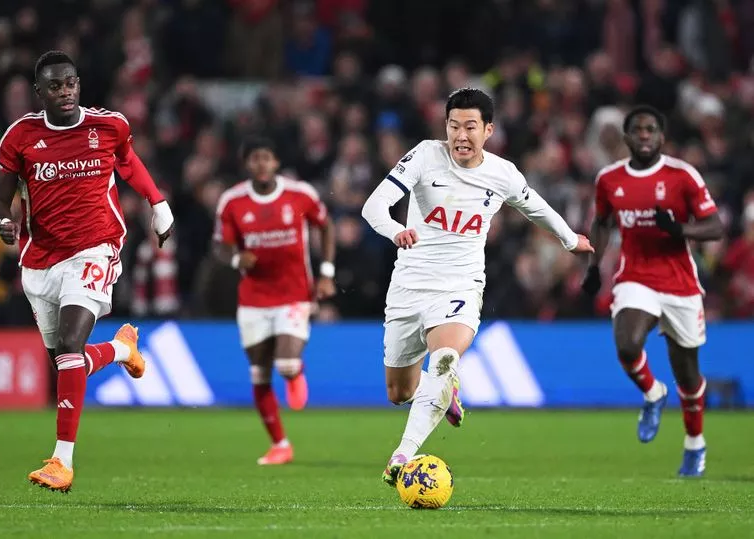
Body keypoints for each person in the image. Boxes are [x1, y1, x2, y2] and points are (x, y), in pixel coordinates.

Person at [361, 88, 593, 485]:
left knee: (446, 357)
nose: (461, 136)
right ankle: (444, 393)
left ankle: (403, 454)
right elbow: (372, 207)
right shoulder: (424, 155)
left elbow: (535, 206)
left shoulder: (502, 174)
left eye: (470, 127)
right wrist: (397, 230)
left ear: (489, 130)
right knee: (399, 392)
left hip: (460, 285)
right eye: (454, 126)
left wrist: (570, 239)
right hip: (409, 286)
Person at [0, 51, 175, 492]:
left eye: (71, 82)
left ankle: (61, 461)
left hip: (96, 247)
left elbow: (128, 162)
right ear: (40, 93)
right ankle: (122, 350)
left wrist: (158, 203)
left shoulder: (108, 126)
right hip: (40, 259)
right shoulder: (21, 137)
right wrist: (2, 221)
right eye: (55, 86)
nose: (66, 91)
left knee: (71, 344)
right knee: (65, 359)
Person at [581, 105, 723, 477]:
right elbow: (601, 221)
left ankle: (695, 444)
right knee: (627, 344)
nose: (644, 135)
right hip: (636, 276)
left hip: (679, 282)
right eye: (638, 130)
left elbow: (715, 226)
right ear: (626, 137)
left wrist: (680, 230)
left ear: (662, 137)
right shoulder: (609, 179)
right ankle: (652, 392)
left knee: (688, 372)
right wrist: (594, 266)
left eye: (651, 130)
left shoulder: (682, 175)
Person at [214, 137, 336, 465]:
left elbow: (326, 228)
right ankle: (280, 444)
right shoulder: (232, 201)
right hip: (253, 299)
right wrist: (238, 259)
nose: (261, 164)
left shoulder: (300, 194)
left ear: (276, 162)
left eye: (266, 157)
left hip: (294, 293)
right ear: (246, 164)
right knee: (259, 372)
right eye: (255, 158)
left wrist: (326, 273)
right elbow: (220, 247)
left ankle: (295, 373)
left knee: (285, 363)